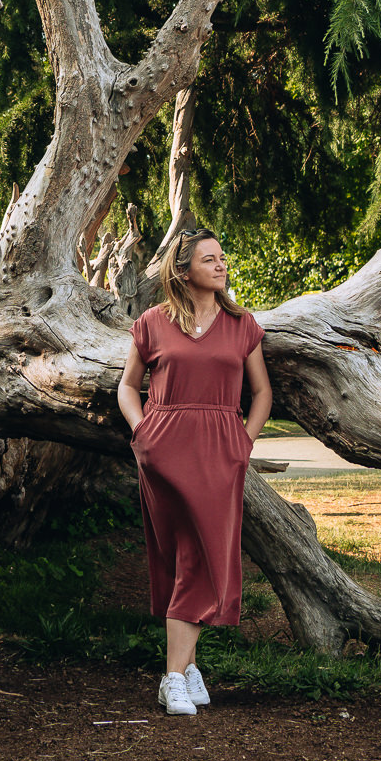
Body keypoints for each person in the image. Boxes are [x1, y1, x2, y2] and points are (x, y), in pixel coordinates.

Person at [116, 227, 272, 716]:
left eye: (222, 258)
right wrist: (143, 435)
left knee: (204, 556)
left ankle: (179, 673)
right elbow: (127, 387)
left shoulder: (242, 324)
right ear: (184, 273)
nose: (222, 265)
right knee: (183, 555)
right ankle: (177, 674)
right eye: (210, 260)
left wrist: (243, 442)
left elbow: (262, 393)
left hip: (221, 453)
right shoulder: (152, 322)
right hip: (164, 452)